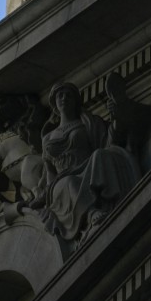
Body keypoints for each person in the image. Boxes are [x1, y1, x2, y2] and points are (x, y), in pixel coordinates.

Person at [36, 82, 139, 247]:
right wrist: (50, 197)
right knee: (69, 182)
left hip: (88, 169)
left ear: (76, 101)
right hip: (61, 180)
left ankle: (103, 201)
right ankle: (90, 213)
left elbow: (107, 143)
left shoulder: (88, 123)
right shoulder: (47, 138)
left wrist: (116, 118)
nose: (64, 98)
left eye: (69, 95)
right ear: (55, 103)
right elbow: (49, 170)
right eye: (60, 96)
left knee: (100, 154)